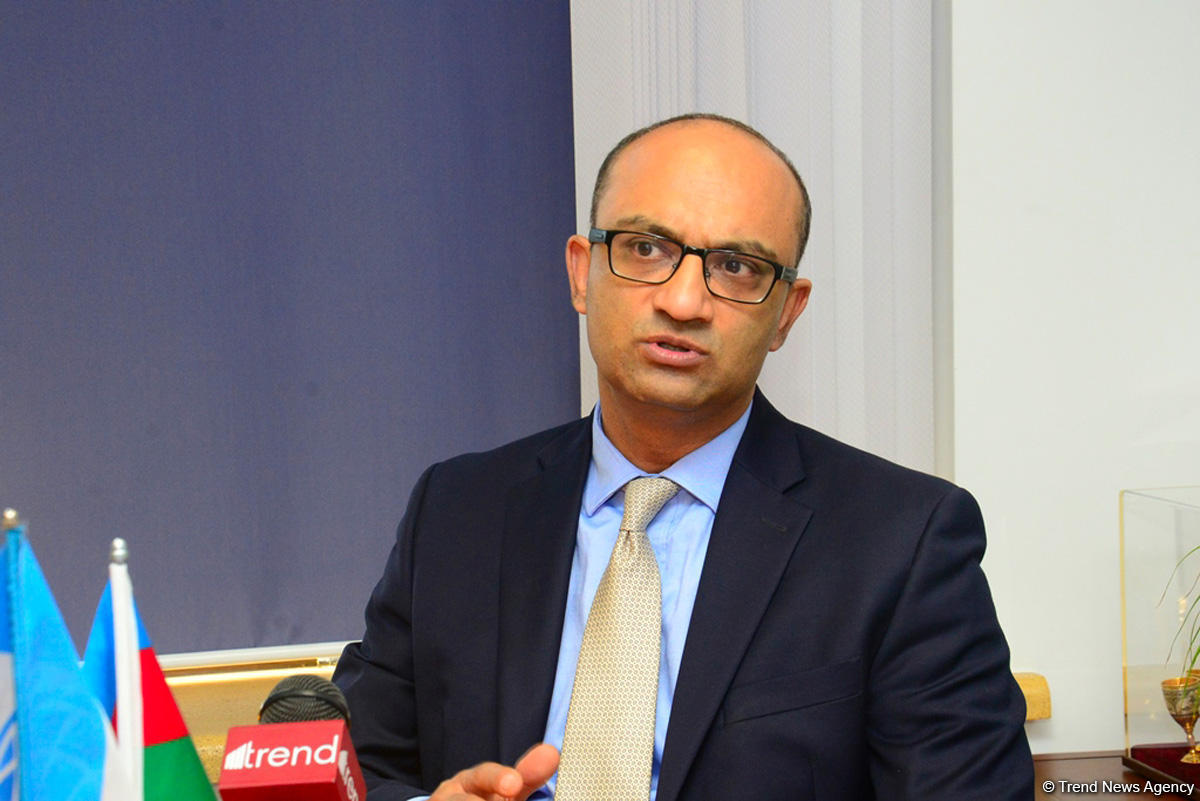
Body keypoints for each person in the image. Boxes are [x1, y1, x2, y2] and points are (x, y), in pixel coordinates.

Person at [333, 114, 1033, 801]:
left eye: (737, 266)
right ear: (581, 273)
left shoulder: (901, 541)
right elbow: (355, 768)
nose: (684, 300)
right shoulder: (457, 511)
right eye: (645, 248)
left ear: (786, 312)